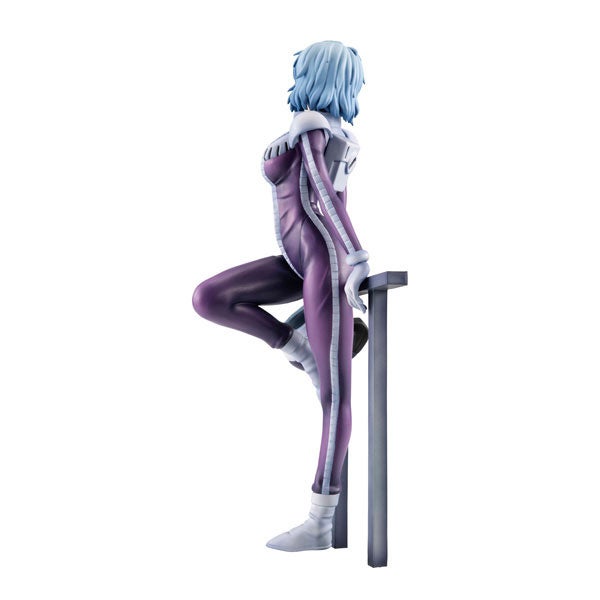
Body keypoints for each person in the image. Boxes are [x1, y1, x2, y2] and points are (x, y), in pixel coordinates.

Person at [192, 41, 370, 552]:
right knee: (210, 297)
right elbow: (327, 194)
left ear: (314, 73)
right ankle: (302, 351)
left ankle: (319, 522)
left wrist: (355, 259)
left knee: (335, 399)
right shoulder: (332, 131)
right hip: (301, 260)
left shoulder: (313, 125)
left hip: (323, 261)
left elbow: (326, 194)